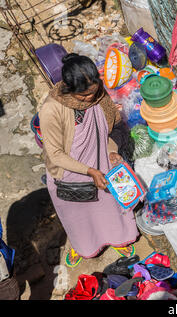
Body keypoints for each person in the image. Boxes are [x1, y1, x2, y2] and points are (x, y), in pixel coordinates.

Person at [39, 53, 139, 268]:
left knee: (109, 205)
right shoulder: (51, 109)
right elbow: (55, 154)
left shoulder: (98, 93)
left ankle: (116, 237)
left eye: (94, 92)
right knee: (78, 216)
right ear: (69, 88)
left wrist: (112, 150)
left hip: (101, 161)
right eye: (84, 95)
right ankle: (82, 246)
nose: (91, 98)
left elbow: (113, 126)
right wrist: (90, 171)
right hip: (69, 172)